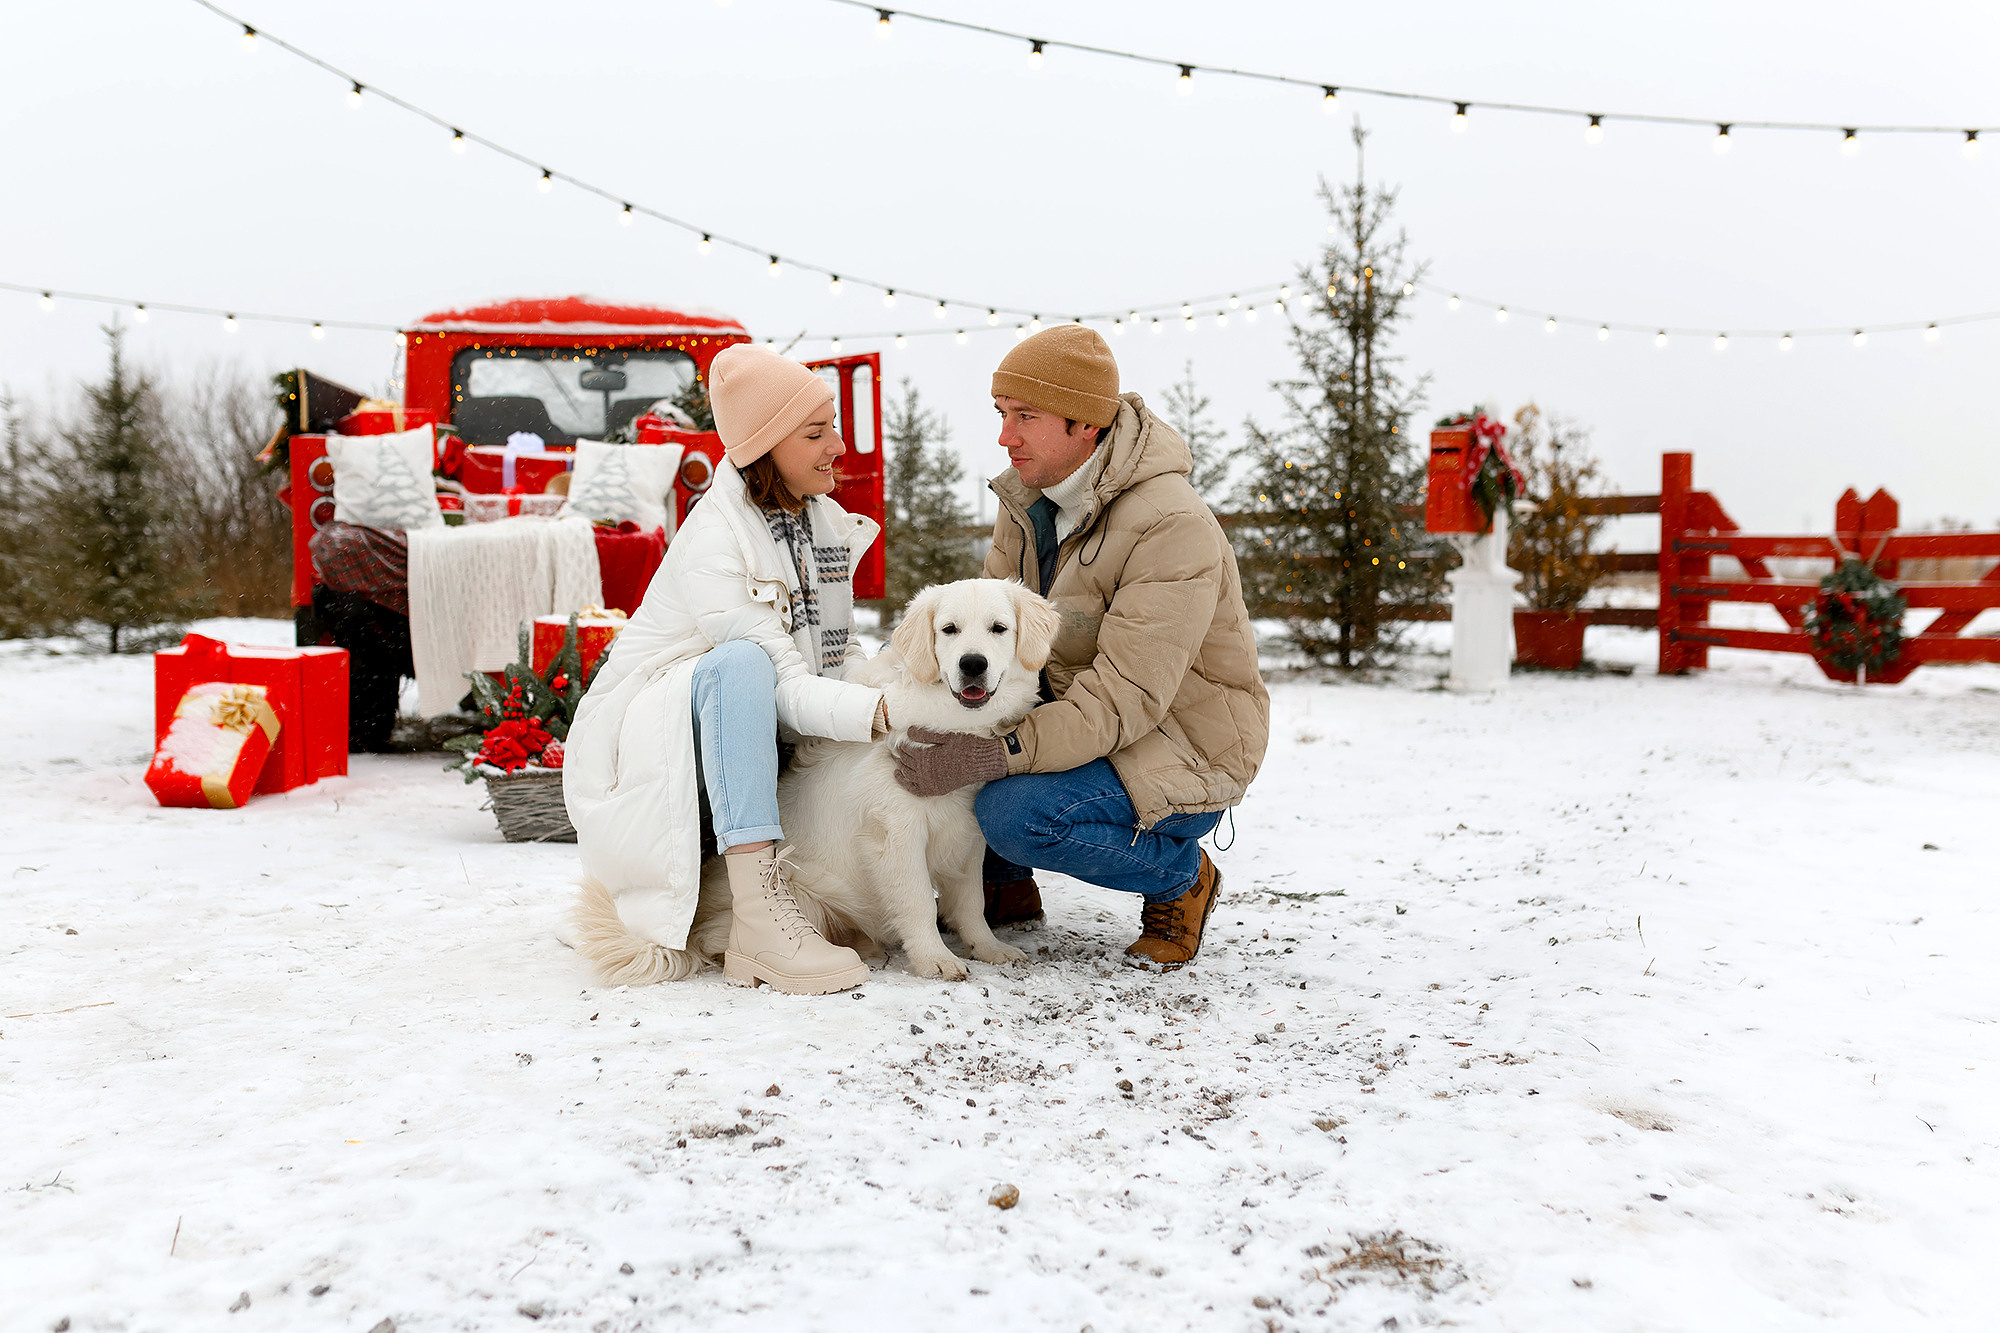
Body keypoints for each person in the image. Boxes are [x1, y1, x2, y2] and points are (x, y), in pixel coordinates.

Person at [894, 325, 1269, 969]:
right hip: (1086, 724)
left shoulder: (1169, 526)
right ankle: (1003, 884)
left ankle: (1181, 877)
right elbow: (996, 642)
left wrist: (991, 753)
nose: (1005, 436)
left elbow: (1124, 700)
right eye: (1001, 415)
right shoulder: (1027, 504)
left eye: (1025, 417)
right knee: (943, 746)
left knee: (1010, 809)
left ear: (1086, 425)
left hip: (1182, 744)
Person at [564, 343, 891, 996]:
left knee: (842, 705)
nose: (838, 447)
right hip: (647, 736)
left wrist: (895, 696)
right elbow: (784, 681)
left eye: (833, 427)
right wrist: (877, 713)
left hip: (736, 728)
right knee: (744, 665)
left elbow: (837, 656)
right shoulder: (715, 538)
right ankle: (760, 920)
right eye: (817, 431)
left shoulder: (819, 522)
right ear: (767, 445)